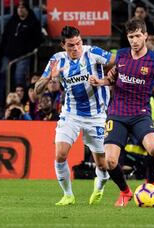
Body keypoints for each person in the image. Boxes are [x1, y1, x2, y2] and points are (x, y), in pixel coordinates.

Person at [90, 19, 154, 207]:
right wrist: (99, 81)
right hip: (117, 113)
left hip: (140, 114)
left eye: (137, 36)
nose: (133, 40)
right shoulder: (121, 56)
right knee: (110, 161)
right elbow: (112, 79)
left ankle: (151, 183)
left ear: (145, 36)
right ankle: (125, 192)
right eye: (130, 37)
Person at [34, 26, 115, 206]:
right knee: (60, 155)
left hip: (96, 115)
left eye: (78, 43)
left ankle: (99, 186)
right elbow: (36, 90)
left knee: (102, 164)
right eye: (71, 45)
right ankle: (68, 195)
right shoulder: (57, 60)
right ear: (63, 45)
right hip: (71, 114)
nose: (76, 48)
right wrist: (49, 78)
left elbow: (118, 61)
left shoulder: (93, 53)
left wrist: (109, 76)